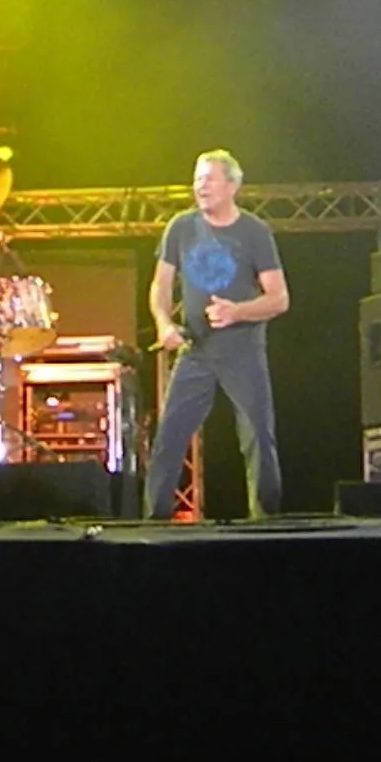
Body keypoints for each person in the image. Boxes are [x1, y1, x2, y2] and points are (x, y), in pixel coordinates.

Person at [147, 150, 290, 519]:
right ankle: (152, 522)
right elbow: (161, 285)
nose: (201, 186)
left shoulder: (254, 232)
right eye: (197, 179)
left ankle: (266, 524)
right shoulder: (181, 227)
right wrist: (164, 323)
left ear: (232, 186)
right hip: (195, 350)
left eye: (209, 179)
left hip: (243, 350)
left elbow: (279, 299)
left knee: (258, 438)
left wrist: (236, 311)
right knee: (169, 438)